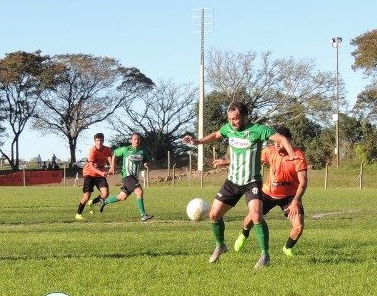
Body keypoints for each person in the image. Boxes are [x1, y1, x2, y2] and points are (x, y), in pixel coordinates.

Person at [181, 102, 297, 269]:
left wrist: (292, 154)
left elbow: (282, 138)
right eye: (230, 119)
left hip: (251, 182)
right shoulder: (228, 128)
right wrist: (197, 141)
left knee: (256, 216)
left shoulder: (258, 130)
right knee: (214, 215)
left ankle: (265, 255)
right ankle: (220, 245)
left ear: (244, 117)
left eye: (235, 119)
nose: (233, 122)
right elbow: (215, 135)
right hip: (232, 182)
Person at [233, 126, 307, 257]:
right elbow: (248, 158)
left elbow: (303, 182)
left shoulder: (298, 156)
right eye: (275, 141)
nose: (277, 144)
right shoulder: (269, 151)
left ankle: (287, 248)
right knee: (251, 218)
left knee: (298, 226)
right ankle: (244, 234)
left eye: (281, 141)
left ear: (289, 140)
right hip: (268, 194)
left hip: (290, 197)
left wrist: (295, 201)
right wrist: (227, 162)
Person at [104, 132, 154, 222]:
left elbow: (147, 161)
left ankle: (104, 202)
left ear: (140, 140)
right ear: (131, 140)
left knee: (122, 197)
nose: (136, 141)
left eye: (138, 139)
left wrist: (147, 164)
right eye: (134, 139)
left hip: (134, 177)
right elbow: (114, 153)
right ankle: (143, 215)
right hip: (127, 175)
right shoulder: (125, 149)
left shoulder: (143, 150)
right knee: (139, 192)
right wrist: (112, 166)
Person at [75, 133, 113, 221]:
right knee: (87, 195)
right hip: (89, 174)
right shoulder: (92, 151)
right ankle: (78, 214)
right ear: (94, 141)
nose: (99, 142)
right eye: (97, 140)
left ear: (103, 141)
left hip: (100, 174)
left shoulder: (107, 149)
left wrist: (112, 167)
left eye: (101, 140)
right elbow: (91, 166)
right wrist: (101, 172)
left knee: (105, 194)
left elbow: (109, 158)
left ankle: (92, 202)